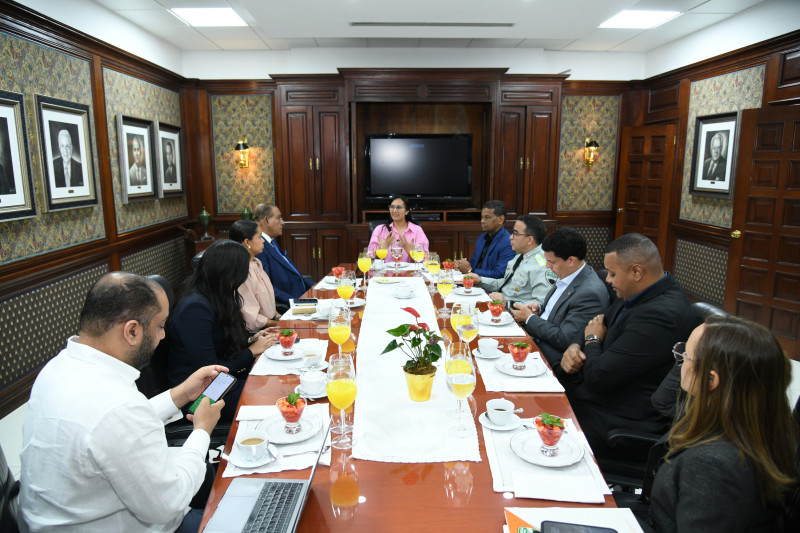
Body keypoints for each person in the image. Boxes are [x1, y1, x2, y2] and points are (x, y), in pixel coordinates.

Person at [20, 272, 226, 532]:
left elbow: (117, 427)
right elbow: (169, 503)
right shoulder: (117, 406)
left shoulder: (59, 366)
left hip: (58, 517)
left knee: (210, 479)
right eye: (160, 326)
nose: (163, 336)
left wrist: (181, 394)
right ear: (132, 331)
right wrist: (202, 430)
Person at [642, 316, 796, 533]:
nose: (681, 362)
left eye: (685, 356)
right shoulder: (752, 427)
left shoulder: (713, 465)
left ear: (711, 380)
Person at [555, 233, 695, 459]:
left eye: (612, 273)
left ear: (636, 272)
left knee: (538, 424)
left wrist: (591, 340)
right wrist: (575, 346)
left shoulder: (662, 315)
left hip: (619, 417)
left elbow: (598, 376)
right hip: (598, 393)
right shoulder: (637, 291)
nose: (607, 280)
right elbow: (597, 323)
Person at [168, 239, 275, 422]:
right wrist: (250, 351)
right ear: (228, 274)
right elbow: (210, 372)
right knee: (271, 396)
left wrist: (250, 340)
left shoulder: (216, 295)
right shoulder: (194, 309)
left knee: (274, 380)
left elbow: (223, 342)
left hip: (223, 380)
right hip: (200, 395)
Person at [509, 227, 609, 367]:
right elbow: (558, 310)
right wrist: (539, 309)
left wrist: (530, 319)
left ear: (571, 261)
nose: (547, 266)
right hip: (536, 338)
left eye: (552, 262)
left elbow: (565, 339)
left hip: (552, 356)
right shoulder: (568, 274)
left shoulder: (589, 293)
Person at [469, 214, 549, 306]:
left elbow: (541, 304)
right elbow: (507, 285)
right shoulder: (521, 254)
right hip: (501, 306)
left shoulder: (542, 265)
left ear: (529, 240)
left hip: (514, 313)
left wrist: (507, 303)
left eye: (515, 233)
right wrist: (481, 280)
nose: (510, 237)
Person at [253, 202, 314, 311]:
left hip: (302, 297)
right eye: (278, 218)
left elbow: (294, 274)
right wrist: (297, 302)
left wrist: (315, 285)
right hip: (289, 305)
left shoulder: (272, 242)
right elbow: (267, 288)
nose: (283, 222)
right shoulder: (260, 248)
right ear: (266, 220)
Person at [229, 219, 282, 331]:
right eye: (259, 237)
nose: (263, 241)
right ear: (247, 242)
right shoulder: (242, 272)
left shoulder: (256, 263)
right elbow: (251, 318)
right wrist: (278, 324)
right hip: (258, 331)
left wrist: (278, 316)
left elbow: (266, 303)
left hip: (270, 323)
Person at [454, 200, 515, 278]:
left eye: (487, 217)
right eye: (482, 217)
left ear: (500, 219)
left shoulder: (508, 242)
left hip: (489, 285)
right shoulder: (481, 238)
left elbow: (500, 274)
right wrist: (461, 266)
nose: (482, 221)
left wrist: (470, 270)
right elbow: (473, 264)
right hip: (473, 281)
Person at [367, 195, 429, 263]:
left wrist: (410, 251)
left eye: (399, 207)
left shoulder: (417, 230)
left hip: (410, 270)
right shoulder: (380, 230)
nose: (394, 210)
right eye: (392, 207)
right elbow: (369, 258)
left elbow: (425, 260)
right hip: (386, 269)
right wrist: (381, 250)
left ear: (407, 211)